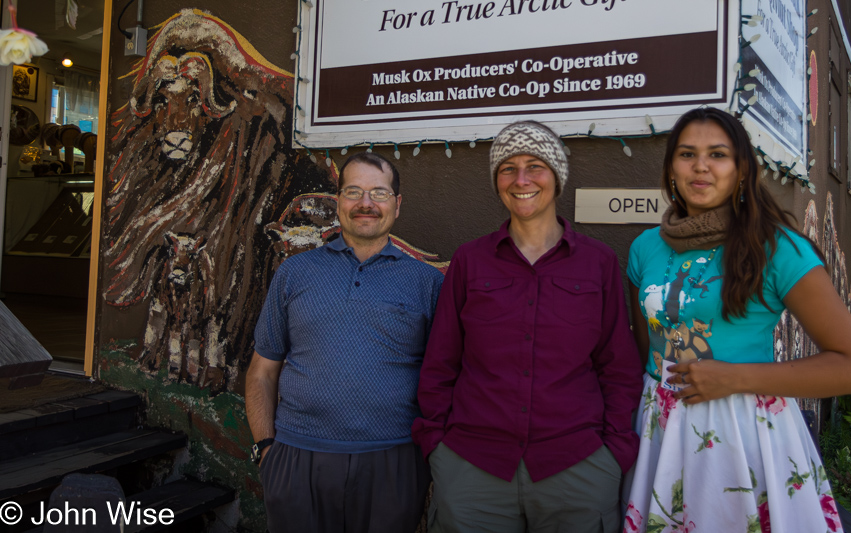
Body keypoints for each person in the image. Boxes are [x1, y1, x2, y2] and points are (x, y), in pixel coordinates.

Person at [622, 107, 851, 533]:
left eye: (718, 154)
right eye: (686, 154)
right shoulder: (646, 246)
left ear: (742, 170)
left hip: (739, 433)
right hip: (659, 427)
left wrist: (735, 379)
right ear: (670, 167)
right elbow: (645, 349)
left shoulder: (778, 248)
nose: (700, 165)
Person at [413, 120, 643, 533]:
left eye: (535, 165)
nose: (521, 179)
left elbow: (618, 366)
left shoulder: (598, 262)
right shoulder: (470, 261)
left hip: (577, 467)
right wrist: (437, 447)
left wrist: (614, 452)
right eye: (507, 168)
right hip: (472, 467)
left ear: (557, 177)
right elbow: (440, 362)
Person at [245, 152, 444, 533]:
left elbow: (445, 380)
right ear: (338, 203)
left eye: (379, 193)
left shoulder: (428, 283)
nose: (366, 203)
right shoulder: (294, 273)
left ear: (397, 205)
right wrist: (265, 450)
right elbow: (261, 371)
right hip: (297, 458)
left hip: (393, 462)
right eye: (353, 191)